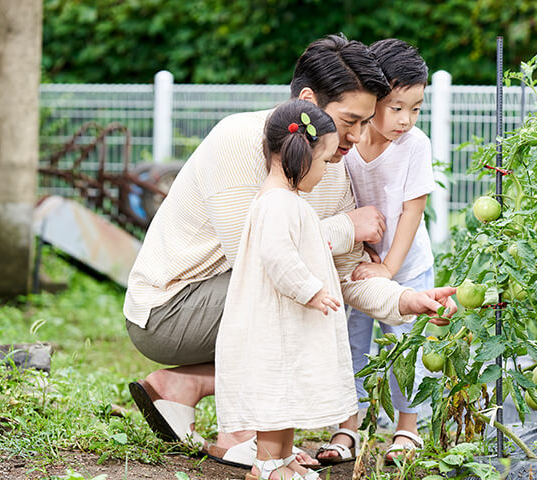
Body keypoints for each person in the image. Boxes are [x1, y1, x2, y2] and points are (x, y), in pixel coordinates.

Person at [124, 34, 458, 469]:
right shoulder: (239, 140)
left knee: (317, 296)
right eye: (349, 121)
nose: (357, 137)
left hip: (224, 306)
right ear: (308, 101)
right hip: (169, 310)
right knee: (296, 292)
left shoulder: (333, 169)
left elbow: (347, 277)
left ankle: (186, 388)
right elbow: (260, 259)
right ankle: (244, 433)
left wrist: (403, 300)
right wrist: (345, 227)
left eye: (365, 122)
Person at [316, 38, 435, 466]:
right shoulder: (350, 141)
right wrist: (365, 260)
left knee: (405, 346)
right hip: (358, 265)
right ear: (374, 97)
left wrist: (388, 266)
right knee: (349, 342)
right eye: (397, 106)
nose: (406, 119)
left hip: (406, 266)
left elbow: (411, 212)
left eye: (416, 108)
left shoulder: (414, 146)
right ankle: (347, 424)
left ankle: (407, 427)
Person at [216, 100, 348, 480]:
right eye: (324, 162)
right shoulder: (278, 203)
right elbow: (277, 256)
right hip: (276, 321)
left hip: (284, 320)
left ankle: (283, 457)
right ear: (300, 156)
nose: (324, 172)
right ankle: (267, 465)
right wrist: (311, 290)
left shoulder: (286, 200)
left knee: (286, 392)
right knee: (275, 394)